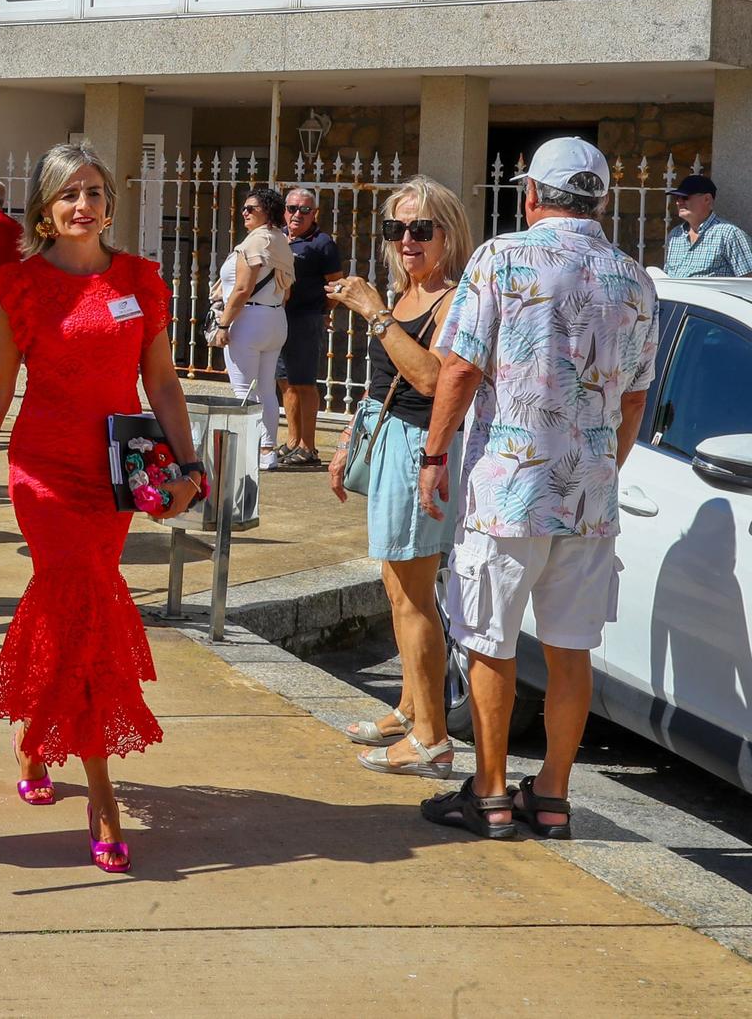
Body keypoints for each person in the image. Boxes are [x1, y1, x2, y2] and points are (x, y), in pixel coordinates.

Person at [0, 143, 203, 873]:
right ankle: (101, 794)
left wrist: (188, 464)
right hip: (43, 474)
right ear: (46, 212)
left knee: (68, 612)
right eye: (68, 195)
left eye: (94, 191)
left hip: (114, 477)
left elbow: (163, 384)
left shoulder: (140, 280)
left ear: (109, 205)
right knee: (83, 605)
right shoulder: (21, 284)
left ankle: (35, 742)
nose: (83, 204)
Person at [417, 138, 657, 841]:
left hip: (509, 487)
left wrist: (435, 454)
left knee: (490, 640)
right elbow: (635, 402)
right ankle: (551, 794)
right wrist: (598, 466)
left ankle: (490, 793)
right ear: (601, 198)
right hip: (589, 495)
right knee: (570, 648)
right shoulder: (635, 279)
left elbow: (459, 368)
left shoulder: (502, 257)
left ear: (531, 195)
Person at [325, 177, 473, 780]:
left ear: (448, 233)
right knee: (396, 590)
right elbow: (380, 380)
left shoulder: (451, 298)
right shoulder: (406, 295)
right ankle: (411, 707)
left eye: (420, 229)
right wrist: (346, 442)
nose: (406, 240)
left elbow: (433, 380)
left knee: (414, 600)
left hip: (422, 452)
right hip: (388, 442)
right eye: (396, 229)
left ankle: (433, 739)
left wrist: (375, 313)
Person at [209, 184, 294, 470]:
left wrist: (223, 324)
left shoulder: (255, 242)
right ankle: (267, 451)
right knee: (267, 389)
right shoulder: (280, 240)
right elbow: (287, 291)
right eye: (244, 208)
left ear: (267, 212)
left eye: (251, 208)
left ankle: (248, 450)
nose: (244, 212)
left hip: (249, 320)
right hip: (274, 318)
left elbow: (243, 288)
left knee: (243, 391)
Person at [276, 187, 345, 468]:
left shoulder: (323, 243)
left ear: (314, 214)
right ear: (285, 210)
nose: (297, 215)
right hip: (278, 318)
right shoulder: (277, 237)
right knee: (285, 382)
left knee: (304, 383)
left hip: (305, 318)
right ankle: (293, 442)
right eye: (292, 208)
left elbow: (336, 284)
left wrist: (322, 312)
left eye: (305, 210)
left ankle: (309, 446)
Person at [664, 173, 752, 278]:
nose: (679, 202)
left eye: (685, 197)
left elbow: (748, 281)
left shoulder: (729, 234)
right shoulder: (675, 235)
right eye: (677, 198)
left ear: (707, 199)